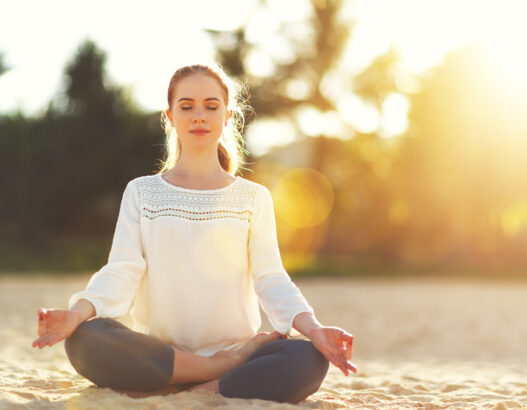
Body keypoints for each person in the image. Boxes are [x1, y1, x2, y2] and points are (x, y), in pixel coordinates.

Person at [32, 63, 356, 404]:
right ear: (170, 117)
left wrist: (316, 330)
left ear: (227, 116)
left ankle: (190, 384)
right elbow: (122, 269)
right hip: (162, 354)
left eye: (211, 106)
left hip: (234, 350)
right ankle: (212, 372)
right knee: (85, 338)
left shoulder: (253, 198)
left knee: (308, 359)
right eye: (186, 106)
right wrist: (78, 312)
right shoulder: (142, 192)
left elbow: (270, 276)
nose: (199, 115)